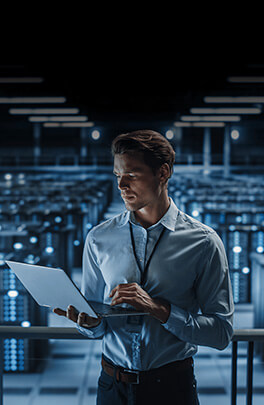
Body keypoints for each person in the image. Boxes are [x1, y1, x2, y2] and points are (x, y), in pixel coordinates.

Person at [53, 129, 234, 404]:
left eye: (132, 175)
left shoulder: (203, 242)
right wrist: (88, 323)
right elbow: (94, 320)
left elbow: (221, 333)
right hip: (112, 387)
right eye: (117, 176)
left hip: (172, 388)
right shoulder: (99, 238)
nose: (121, 185)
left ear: (163, 173)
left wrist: (158, 309)